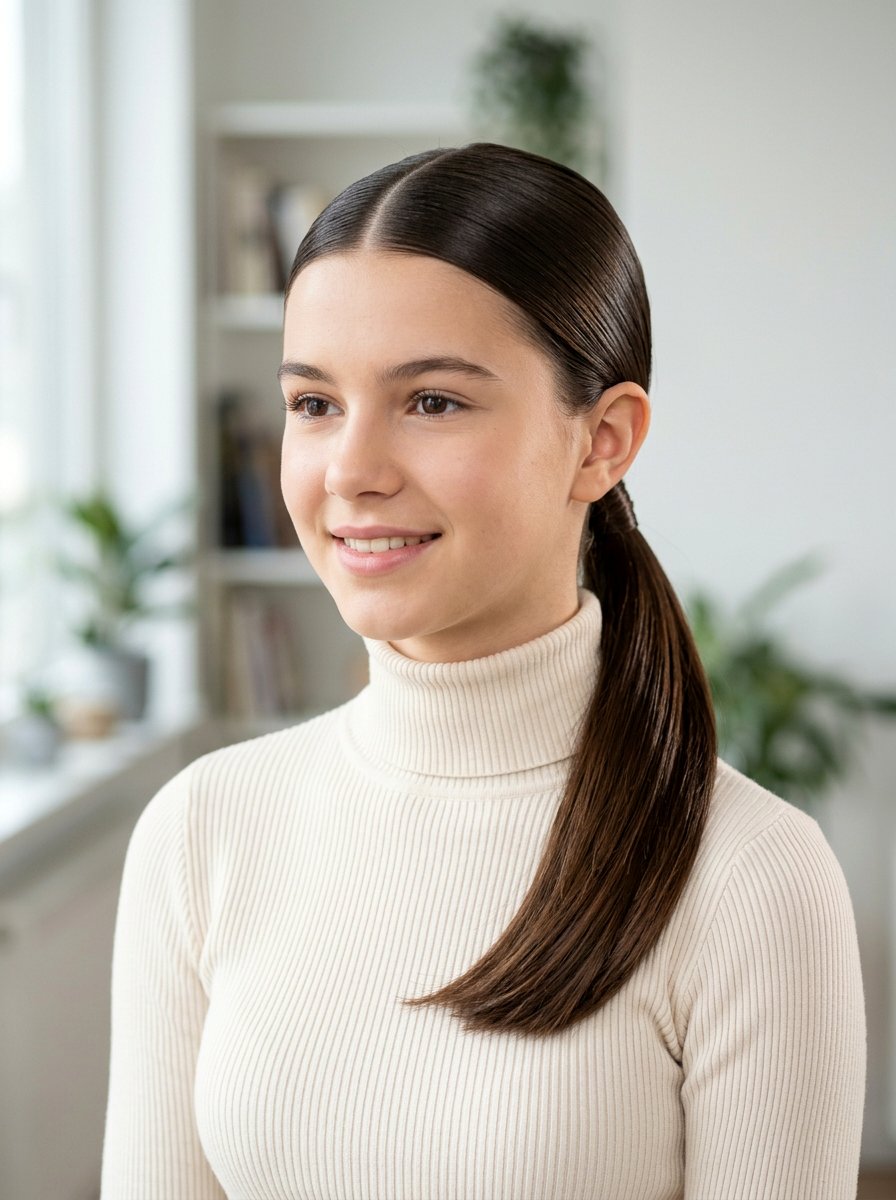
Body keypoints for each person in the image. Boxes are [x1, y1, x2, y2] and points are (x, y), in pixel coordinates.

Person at [100, 143, 866, 1200]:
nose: (352, 473)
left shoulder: (749, 878)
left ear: (602, 440)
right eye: (314, 404)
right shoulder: (203, 830)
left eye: (431, 402)